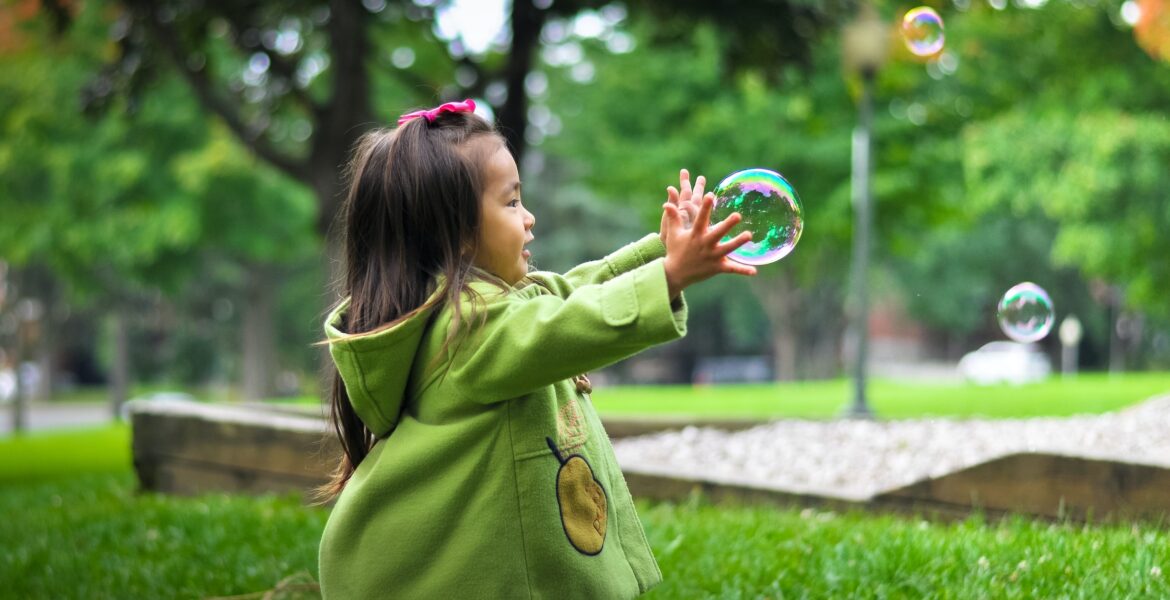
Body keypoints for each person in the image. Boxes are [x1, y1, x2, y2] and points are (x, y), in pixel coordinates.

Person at [316, 99, 756, 599]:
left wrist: (661, 251)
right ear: (458, 234)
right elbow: (566, 324)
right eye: (511, 203)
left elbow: (571, 291)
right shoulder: (467, 331)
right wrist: (670, 275)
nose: (529, 218)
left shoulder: (485, 309)